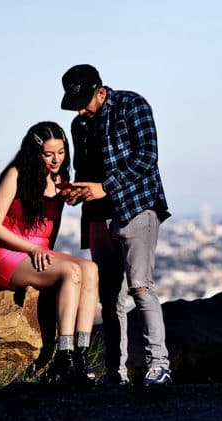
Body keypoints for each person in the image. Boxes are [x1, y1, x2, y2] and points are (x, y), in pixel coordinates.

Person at [60, 64, 172, 386]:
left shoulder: (131, 105)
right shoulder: (79, 125)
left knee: (140, 287)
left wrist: (105, 187)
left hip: (136, 208)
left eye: (84, 102)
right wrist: (77, 191)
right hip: (98, 214)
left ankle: (159, 364)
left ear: (100, 90)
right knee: (109, 296)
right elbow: (84, 170)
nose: (80, 110)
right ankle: (115, 372)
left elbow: (147, 157)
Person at [0, 121, 99, 384]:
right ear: (35, 152)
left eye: (60, 152)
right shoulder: (16, 174)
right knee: (71, 272)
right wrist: (34, 249)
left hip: (39, 252)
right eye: (49, 154)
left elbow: (52, 228)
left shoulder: (59, 180)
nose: (56, 159)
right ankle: (64, 355)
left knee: (91, 269)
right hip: (8, 253)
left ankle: (80, 353)